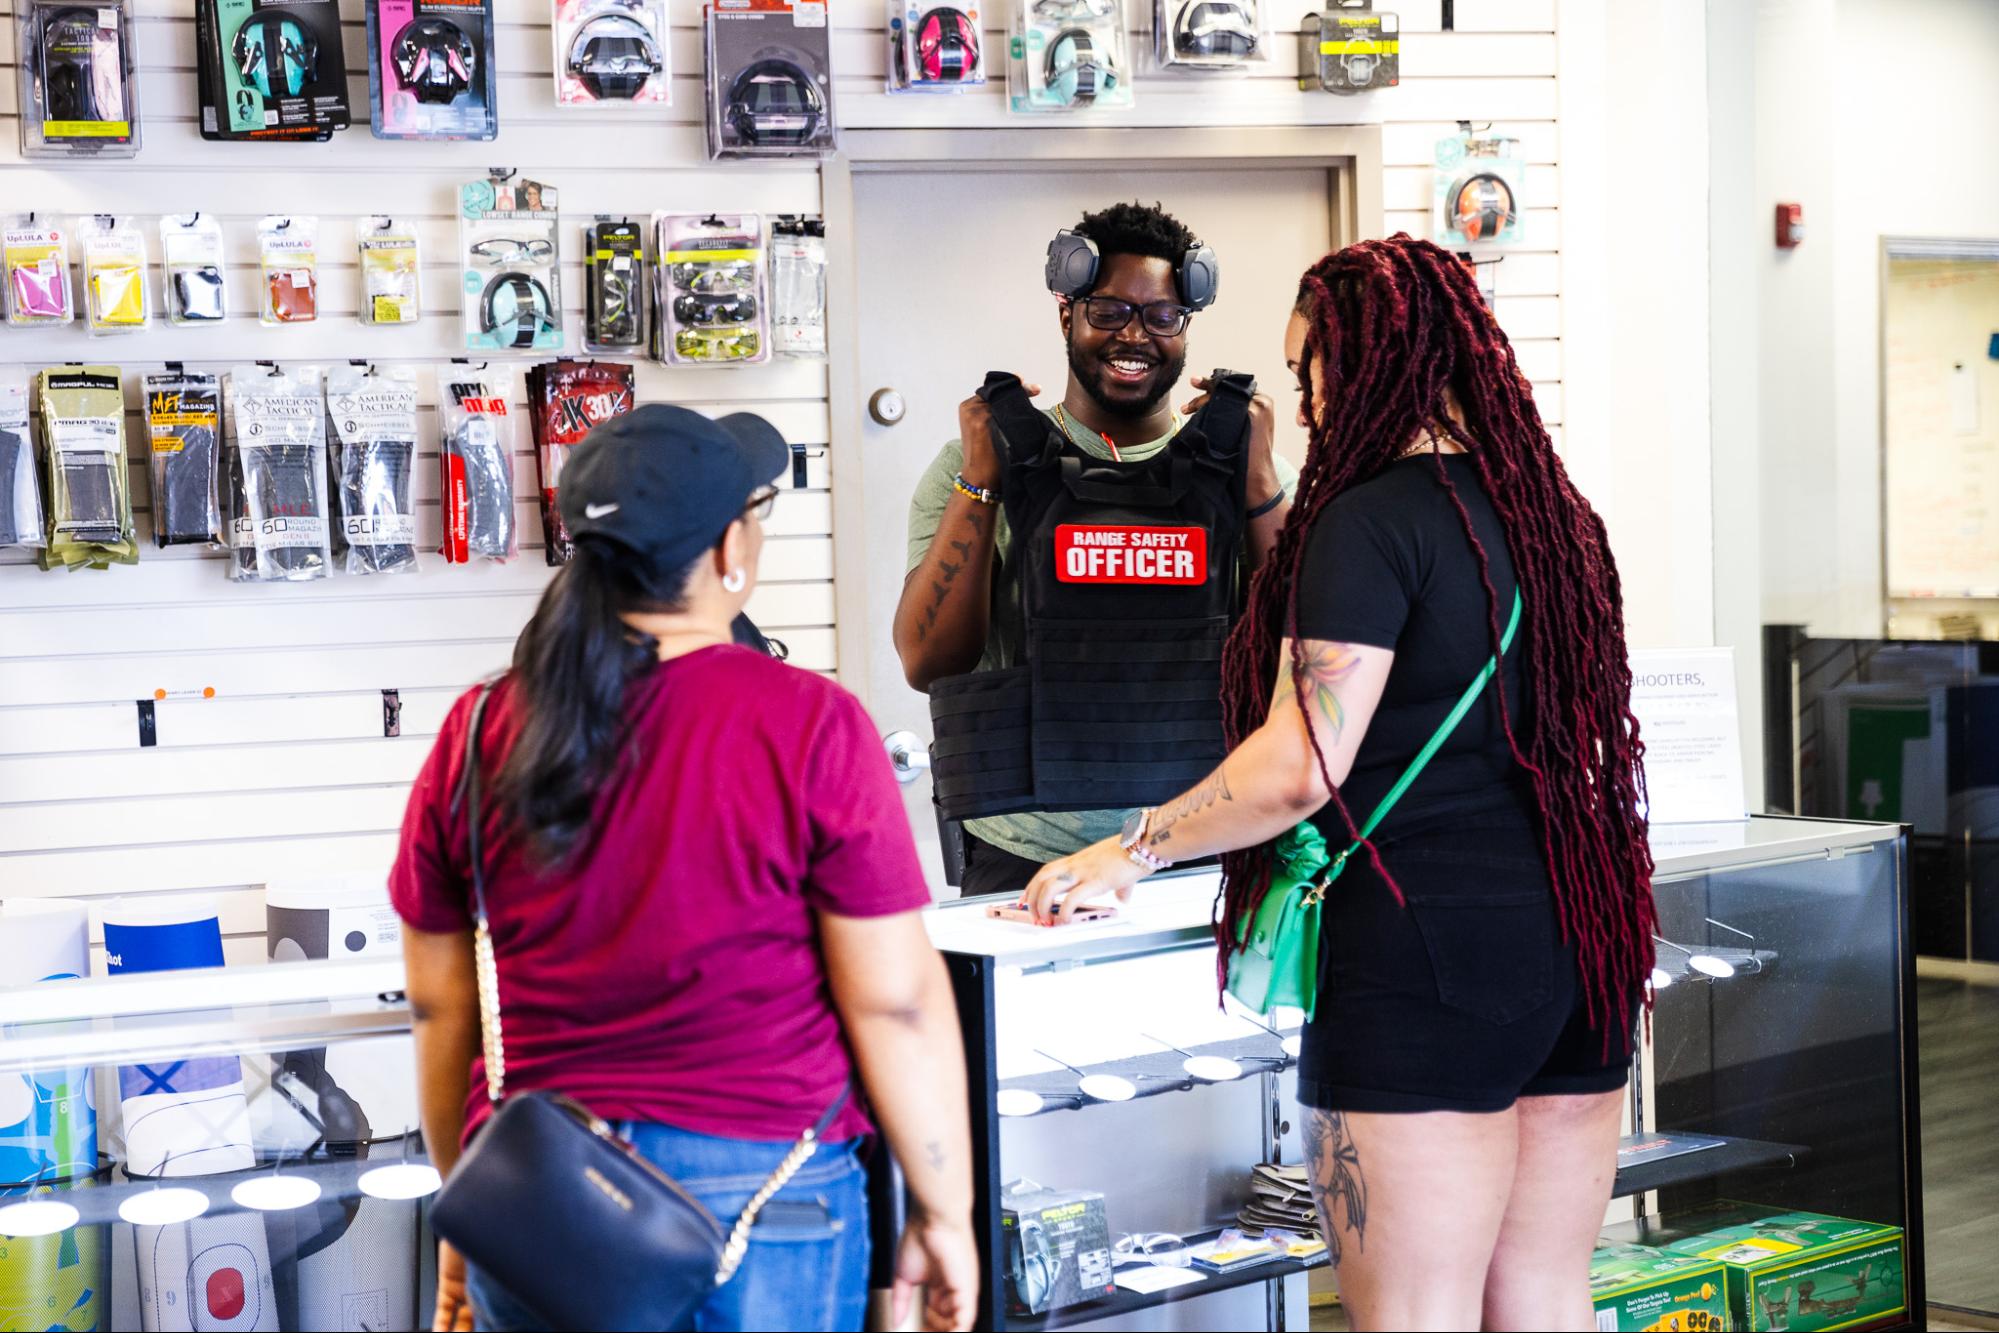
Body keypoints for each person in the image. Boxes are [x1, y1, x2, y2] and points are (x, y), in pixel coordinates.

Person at [1020, 235, 1657, 1332]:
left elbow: (1297, 768)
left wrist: (1131, 849)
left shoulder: (1367, 522)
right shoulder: (1556, 518)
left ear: (1359, 365)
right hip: (1580, 943)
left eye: (1308, 365)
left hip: (1423, 958)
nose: (1306, 401)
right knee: (1546, 1293)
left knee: (1414, 1312)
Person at [390, 406, 977, 1333]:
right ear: (730, 549)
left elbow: (440, 1007)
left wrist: (468, 1199)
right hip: (768, 1200)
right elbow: (893, 1001)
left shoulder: (477, 731)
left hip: (544, 1195)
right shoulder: (809, 722)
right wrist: (945, 1213)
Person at [895, 200, 1297, 898]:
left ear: (1185, 326)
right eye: (1108, 311)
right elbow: (928, 662)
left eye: (1161, 316)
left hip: (1206, 843)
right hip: (1023, 854)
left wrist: (1259, 481)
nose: (1133, 335)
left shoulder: (1255, 470)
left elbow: (1304, 657)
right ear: (1067, 315)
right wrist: (981, 481)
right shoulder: (973, 462)